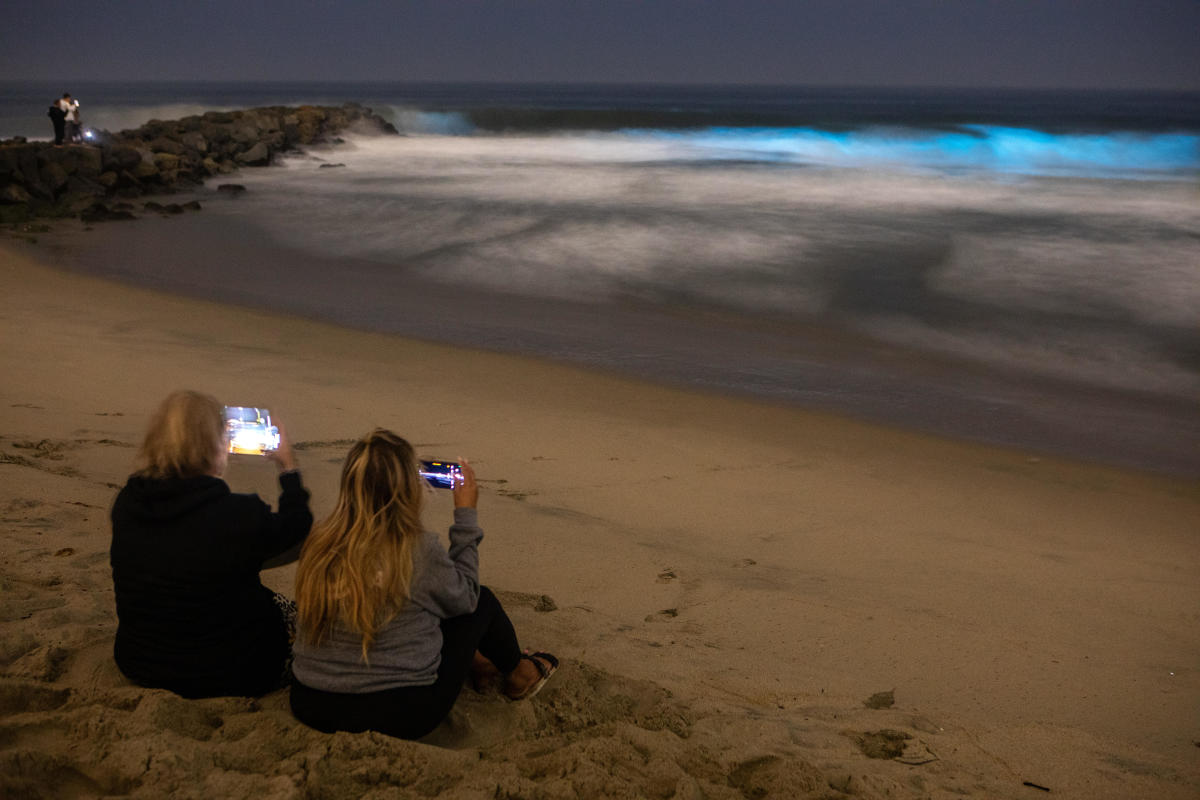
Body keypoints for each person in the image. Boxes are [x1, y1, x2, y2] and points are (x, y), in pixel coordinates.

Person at [290, 429, 557, 740]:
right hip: (400, 715)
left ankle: (481, 663)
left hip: (310, 703)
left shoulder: (319, 542)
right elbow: (466, 597)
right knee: (479, 601)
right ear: (410, 490)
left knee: (418, 605)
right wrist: (465, 515)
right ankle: (520, 674)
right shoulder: (414, 550)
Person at [110, 390, 313, 698]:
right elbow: (298, 532)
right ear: (216, 445)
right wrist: (288, 467)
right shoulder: (235, 516)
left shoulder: (128, 503)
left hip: (140, 662)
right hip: (233, 672)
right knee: (295, 615)